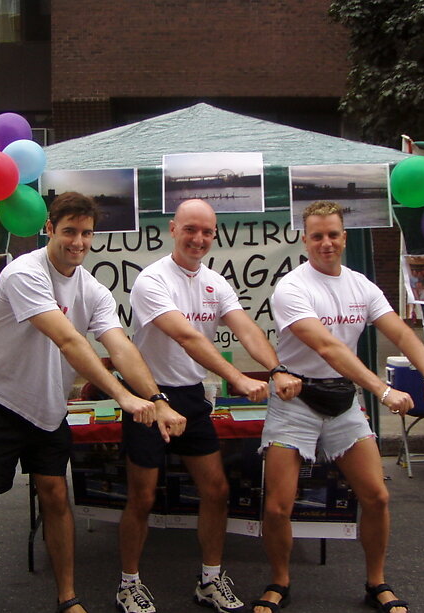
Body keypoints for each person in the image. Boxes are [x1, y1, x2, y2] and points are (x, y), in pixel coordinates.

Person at [0, 192, 185, 613]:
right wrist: (122, 397)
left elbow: (121, 346)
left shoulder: (93, 290)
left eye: (86, 233)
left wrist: (155, 397)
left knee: (57, 499)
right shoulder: (25, 272)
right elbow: (69, 340)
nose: (78, 241)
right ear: (49, 230)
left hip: (47, 409)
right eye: (69, 231)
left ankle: (67, 596)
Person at [251, 201, 424, 613]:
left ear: (344, 237)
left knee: (376, 496)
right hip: (297, 401)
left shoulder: (361, 284)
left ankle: (376, 582)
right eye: (317, 236)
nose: (326, 243)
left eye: (333, 235)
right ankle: (280, 581)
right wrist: (383, 390)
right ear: (304, 239)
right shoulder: (292, 287)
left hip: (344, 400)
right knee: (277, 505)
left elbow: (400, 331)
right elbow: (328, 347)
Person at [118, 199, 302, 613]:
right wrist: (237, 378)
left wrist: (275, 370)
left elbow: (246, 329)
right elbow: (189, 338)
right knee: (143, 497)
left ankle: (210, 579)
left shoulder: (216, 283)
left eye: (207, 232)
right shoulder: (152, 280)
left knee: (216, 490)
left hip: (192, 397)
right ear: (173, 229)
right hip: (149, 395)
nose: (198, 239)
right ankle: (128, 583)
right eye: (190, 229)